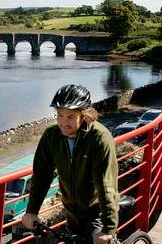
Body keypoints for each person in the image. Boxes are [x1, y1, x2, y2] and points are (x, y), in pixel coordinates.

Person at [22, 84, 119, 244]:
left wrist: (108, 229)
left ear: (85, 115)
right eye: (60, 115)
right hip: (72, 212)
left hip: (97, 212)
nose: (63, 123)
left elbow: (106, 185)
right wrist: (31, 211)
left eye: (71, 117)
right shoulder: (51, 136)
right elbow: (42, 176)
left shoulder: (99, 138)